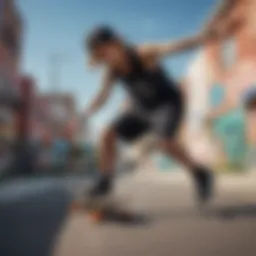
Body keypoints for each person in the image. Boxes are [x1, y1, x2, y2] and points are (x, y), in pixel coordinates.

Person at [80, 26, 216, 203]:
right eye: (101, 56)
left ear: (117, 43)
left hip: (166, 103)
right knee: (107, 134)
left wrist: (203, 37)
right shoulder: (111, 71)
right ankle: (105, 182)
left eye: (107, 51)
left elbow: (173, 46)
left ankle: (199, 173)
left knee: (165, 143)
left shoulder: (142, 52)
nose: (107, 58)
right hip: (140, 109)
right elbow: (103, 95)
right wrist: (87, 111)